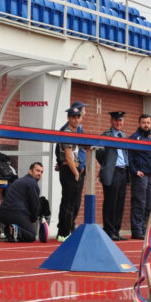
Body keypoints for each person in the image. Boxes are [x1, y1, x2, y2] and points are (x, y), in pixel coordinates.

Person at [97, 111, 129, 241]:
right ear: (111, 121)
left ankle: (116, 230)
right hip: (112, 171)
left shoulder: (124, 135)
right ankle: (109, 230)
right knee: (111, 202)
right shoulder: (106, 135)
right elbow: (99, 153)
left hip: (123, 170)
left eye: (120, 120)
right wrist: (106, 165)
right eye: (116, 120)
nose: (118, 123)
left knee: (120, 202)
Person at [55, 104, 84, 242]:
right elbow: (68, 156)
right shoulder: (67, 132)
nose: (76, 120)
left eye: (78, 117)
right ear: (68, 118)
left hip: (76, 169)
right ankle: (64, 232)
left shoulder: (78, 132)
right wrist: (76, 173)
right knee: (68, 202)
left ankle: (68, 230)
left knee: (75, 203)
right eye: (73, 117)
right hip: (69, 170)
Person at [0, 162, 43, 242]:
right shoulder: (32, 183)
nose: (39, 173)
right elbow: (34, 205)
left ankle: (11, 230)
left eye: (41, 172)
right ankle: (15, 231)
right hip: (16, 213)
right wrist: (33, 219)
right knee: (31, 235)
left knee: (24, 226)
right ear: (30, 171)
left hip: (3, 214)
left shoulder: (19, 181)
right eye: (37, 171)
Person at [128, 114, 151, 239]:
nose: (146, 125)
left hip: (149, 175)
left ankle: (143, 228)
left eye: (148, 122)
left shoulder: (150, 139)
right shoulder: (135, 137)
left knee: (148, 204)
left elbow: (150, 157)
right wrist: (135, 171)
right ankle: (137, 230)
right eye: (144, 122)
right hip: (140, 176)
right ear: (139, 123)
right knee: (139, 202)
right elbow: (129, 156)